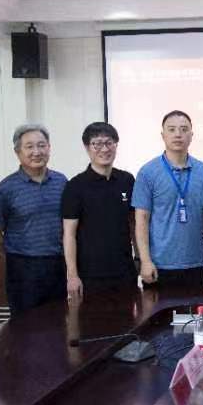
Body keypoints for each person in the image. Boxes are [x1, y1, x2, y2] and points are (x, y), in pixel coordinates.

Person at [133, 110, 203, 289]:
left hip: (196, 263)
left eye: (184, 129)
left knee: (197, 307)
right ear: (163, 135)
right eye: (171, 129)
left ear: (191, 135)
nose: (178, 134)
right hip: (159, 265)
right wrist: (145, 261)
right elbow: (141, 220)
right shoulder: (148, 172)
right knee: (156, 309)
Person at [0, 124, 67, 315]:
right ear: (18, 152)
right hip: (23, 269)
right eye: (29, 146)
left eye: (41, 145)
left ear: (49, 148)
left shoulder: (61, 182)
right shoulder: (5, 189)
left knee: (59, 320)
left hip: (58, 264)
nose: (36, 152)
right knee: (25, 325)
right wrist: (12, 255)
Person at [61, 122, 137, 302]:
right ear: (87, 147)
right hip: (90, 275)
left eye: (109, 143)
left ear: (116, 145)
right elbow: (69, 234)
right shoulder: (75, 186)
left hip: (125, 270)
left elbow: (133, 223)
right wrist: (72, 275)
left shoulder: (127, 180)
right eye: (97, 144)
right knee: (92, 319)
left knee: (128, 318)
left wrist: (140, 258)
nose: (104, 149)